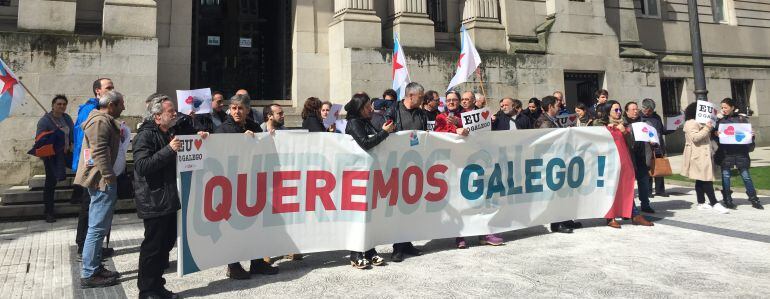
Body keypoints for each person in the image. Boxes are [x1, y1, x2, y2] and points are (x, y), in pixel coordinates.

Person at [133, 95, 206, 299]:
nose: (175, 113)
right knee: (153, 247)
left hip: (168, 198)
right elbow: (142, 166)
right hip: (153, 200)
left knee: (165, 245)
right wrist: (169, 150)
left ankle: (157, 286)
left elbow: (191, 139)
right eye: (170, 111)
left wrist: (198, 134)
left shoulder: (170, 132)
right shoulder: (145, 136)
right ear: (157, 116)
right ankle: (146, 291)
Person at [215, 94, 277, 279]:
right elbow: (220, 155)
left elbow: (264, 150)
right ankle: (233, 265)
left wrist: (265, 137)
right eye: (233, 108)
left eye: (240, 108)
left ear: (248, 110)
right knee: (234, 227)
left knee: (256, 225)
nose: (236, 111)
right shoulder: (223, 130)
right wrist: (241, 141)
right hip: (232, 185)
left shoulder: (254, 126)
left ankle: (257, 263)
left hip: (253, 183)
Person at [74, 90, 125, 288]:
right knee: (96, 228)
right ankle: (89, 273)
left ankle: (94, 266)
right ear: (111, 105)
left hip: (103, 179)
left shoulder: (103, 120)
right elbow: (99, 151)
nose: (124, 107)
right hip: (102, 181)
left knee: (99, 226)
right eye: (121, 104)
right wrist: (109, 176)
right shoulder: (99, 121)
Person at [345, 92, 395, 269]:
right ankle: (356, 253)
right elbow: (365, 143)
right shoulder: (354, 123)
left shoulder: (366, 121)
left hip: (371, 174)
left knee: (370, 214)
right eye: (367, 107)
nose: (371, 109)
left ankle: (370, 250)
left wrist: (386, 130)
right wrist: (384, 133)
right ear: (359, 109)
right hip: (358, 176)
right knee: (358, 214)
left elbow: (375, 139)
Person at [384, 82, 428, 262]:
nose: (423, 99)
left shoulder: (421, 113)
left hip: (416, 164)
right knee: (399, 207)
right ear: (411, 96)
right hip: (397, 164)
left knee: (411, 205)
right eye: (421, 96)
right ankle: (398, 246)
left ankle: (407, 243)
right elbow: (385, 132)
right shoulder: (393, 111)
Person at [593, 101, 655, 228]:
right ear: (608, 111)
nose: (619, 112)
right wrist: (608, 128)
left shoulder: (624, 124)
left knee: (627, 188)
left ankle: (634, 215)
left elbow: (632, 143)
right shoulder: (600, 125)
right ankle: (610, 217)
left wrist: (625, 132)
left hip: (625, 161)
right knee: (610, 189)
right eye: (615, 110)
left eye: (619, 109)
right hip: (609, 163)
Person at [74, 78, 115, 260]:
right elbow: (94, 144)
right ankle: (85, 247)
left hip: (97, 167)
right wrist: (107, 173)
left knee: (96, 211)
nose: (112, 90)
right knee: (89, 209)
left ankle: (93, 248)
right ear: (98, 91)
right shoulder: (91, 111)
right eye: (108, 88)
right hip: (92, 169)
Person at [535, 96, 582, 233]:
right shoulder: (543, 122)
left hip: (559, 160)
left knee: (563, 191)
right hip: (552, 162)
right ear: (550, 106)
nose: (560, 107)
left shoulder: (552, 120)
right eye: (557, 105)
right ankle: (556, 223)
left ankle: (565, 218)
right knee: (555, 192)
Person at [682, 102, 730, 214]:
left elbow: (715, 118)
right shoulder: (691, 123)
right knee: (706, 179)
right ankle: (714, 203)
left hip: (703, 154)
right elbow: (695, 137)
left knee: (700, 179)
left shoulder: (700, 122)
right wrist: (707, 128)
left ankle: (701, 202)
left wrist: (719, 114)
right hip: (697, 155)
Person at [715, 98, 763, 209]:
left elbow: (748, 138)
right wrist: (716, 133)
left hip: (741, 153)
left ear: (732, 107)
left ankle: (754, 199)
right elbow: (714, 136)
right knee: (726, 176)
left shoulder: (742, 119)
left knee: (746, 176)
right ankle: (727, 199)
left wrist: (751, 135)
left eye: (725, 107)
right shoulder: (720, 121)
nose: (723, 109)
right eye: (722, 107)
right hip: (726, 153)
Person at [35, 95, 74, 223]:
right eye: (59, 104)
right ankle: (49, 212)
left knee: (82, 168)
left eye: (64, 104)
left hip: (67, 153)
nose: (61, 106)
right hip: (52, 156)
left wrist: (71, 144)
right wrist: (56, 145)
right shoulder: (45, 121)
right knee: (51, 183)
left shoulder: (67, 118)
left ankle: (77, 195)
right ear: (53, 105)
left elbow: (72, 134)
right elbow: (40, 140)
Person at [623, 102, 655, 213]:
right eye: (632, 109)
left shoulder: (646, 123)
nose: (635, 111)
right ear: (626, 111)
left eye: (636, 109)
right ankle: (629, 207)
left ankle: (645, 204)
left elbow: (654, 137)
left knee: (644, 182)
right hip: (629, 158)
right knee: (628, 185)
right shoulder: (622, 124)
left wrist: (653, 142)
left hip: (643, 157)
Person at [640, 98, 670, 198]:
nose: (648, 112)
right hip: (646, 146)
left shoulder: (656, 117)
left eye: (651, 111)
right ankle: (648, 191)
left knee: (659, 165)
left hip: (657, 145)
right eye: (647, 110)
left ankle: (660, 190)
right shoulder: (639, 117)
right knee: (648, 167)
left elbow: (661, 130)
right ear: (643, 108)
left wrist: (672, 128)